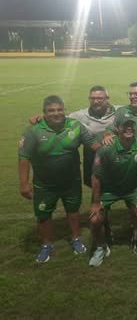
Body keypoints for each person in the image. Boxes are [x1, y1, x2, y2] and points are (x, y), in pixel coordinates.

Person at [18, 95, 100, 263]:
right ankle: (47, 244)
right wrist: (24, 184)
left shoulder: (75, 126)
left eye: (59, 110)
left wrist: (111, 138)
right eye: (51, 111)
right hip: (44, 184)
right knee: (43, 214)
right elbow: (24, 157)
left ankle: (76, 238)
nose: (56, 113)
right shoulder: (33, 130)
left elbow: (94, 145)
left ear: (65, 111)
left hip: (71, 181)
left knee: (73, 211)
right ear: (44, 113)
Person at [88, 117, 137, 266]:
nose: (129, 129)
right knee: (95, 219)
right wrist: (96, 202)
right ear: (117, 129)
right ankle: (101, 247)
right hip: (109, 190)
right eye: (125, 126)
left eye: (131, 126)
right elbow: (96, 176)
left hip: (131, 189)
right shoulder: (106, 148)